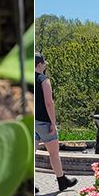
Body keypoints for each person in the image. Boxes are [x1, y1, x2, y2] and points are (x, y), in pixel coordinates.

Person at [35, 53, 75, 189]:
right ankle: (61, 180)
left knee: (31, 153)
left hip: (32, 121)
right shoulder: (43, 79)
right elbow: (49, 103)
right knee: (54, 152)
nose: (45, 65)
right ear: (39, 64)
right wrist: (53, 122)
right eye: (44, 63)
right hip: (43, 121)